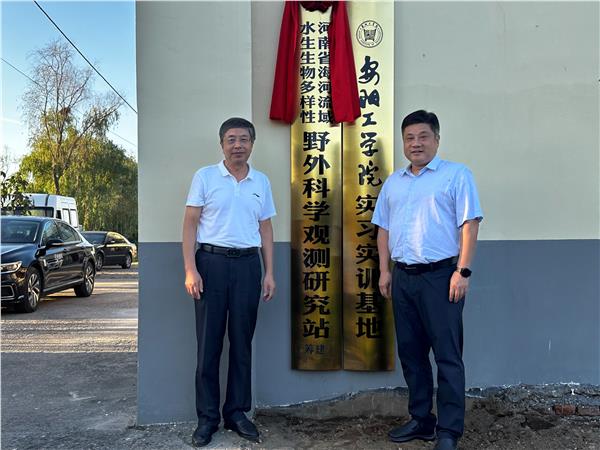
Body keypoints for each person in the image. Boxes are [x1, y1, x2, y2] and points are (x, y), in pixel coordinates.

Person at [372, 110, 483, 450]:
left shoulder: (456, 176)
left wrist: (462, 272)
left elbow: (470, 224)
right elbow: (383, 228)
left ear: (436, 139)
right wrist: (385, 270)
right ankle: (422, 419)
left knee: (447, 355)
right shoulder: (394, 181)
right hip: (403, 277)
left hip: (441, 277)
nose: (416, 143)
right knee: (412, 352)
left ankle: (449, 431)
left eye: (423, 136)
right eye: (410, 138)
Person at [182, 117, 276, 447]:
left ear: (252, 144)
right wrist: (190, 269)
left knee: (241, 343)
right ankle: (207, 418)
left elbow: (265, 229)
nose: (238, 145)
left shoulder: (260, 182)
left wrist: (269, 272)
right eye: (231, 139)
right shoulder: (206, 177)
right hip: (211, 264)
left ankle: (236, 412)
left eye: (244, 139)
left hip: (249, 266)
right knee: (209, 344)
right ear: (221, 144)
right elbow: (190, 225)